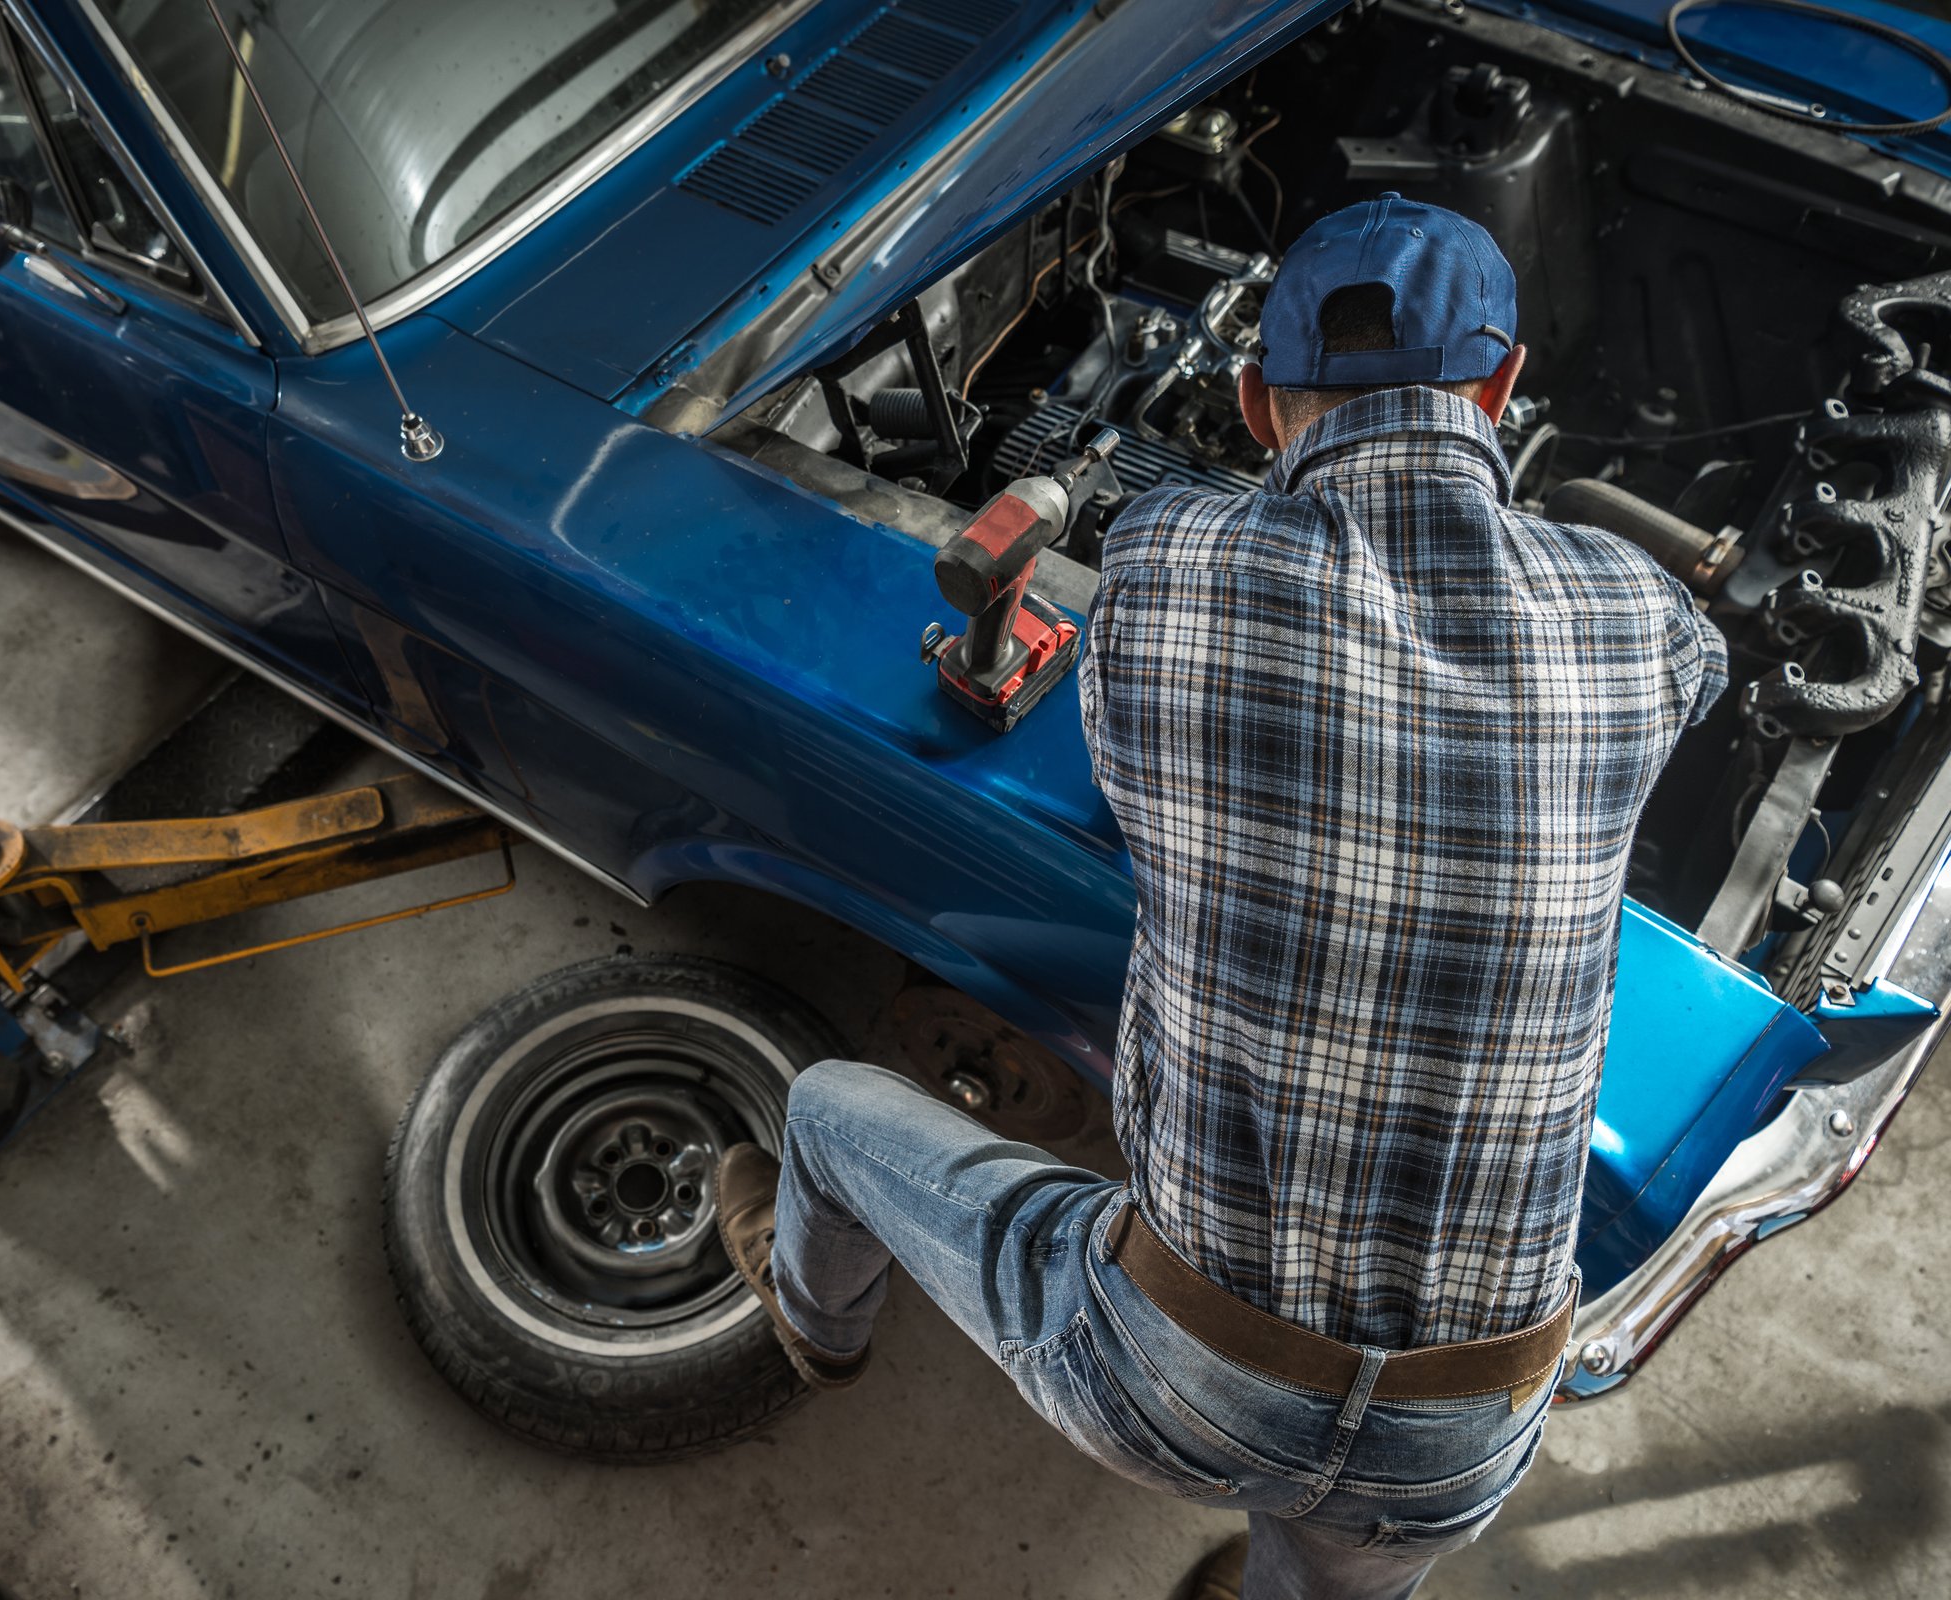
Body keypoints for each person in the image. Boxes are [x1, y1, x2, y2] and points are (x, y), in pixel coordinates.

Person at [714, 192, 1729, 1599]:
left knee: (826, 1111)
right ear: (1500, 388)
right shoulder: (1632, 610)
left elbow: (1109, 713)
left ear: (1253, 403)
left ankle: (820, 1327)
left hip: (1181, 1383)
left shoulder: (1171, 563)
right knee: (1338, 1566)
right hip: (1468, 1430)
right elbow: (1701, 673)